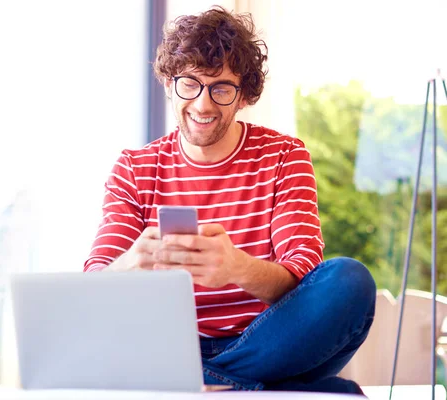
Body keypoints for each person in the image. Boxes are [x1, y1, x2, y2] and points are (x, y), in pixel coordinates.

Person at [84, 5, 376, 394]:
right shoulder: (135, 168)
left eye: (221, 88)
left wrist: (238, 268)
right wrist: (130, 266)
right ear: (170, 84)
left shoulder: (284, 156)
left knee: (349, 281)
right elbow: (92, 288)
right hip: (165, 349)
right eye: (190, 83)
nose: (203, 104)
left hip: (272, 342)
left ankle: (208, 383)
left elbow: (305, 274)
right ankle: (267, 389)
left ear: (244, 95)